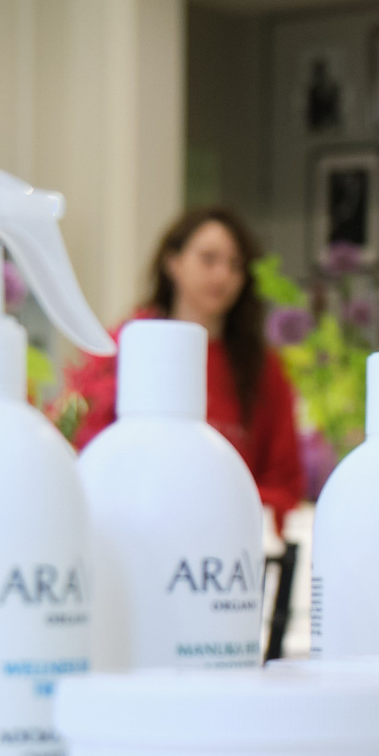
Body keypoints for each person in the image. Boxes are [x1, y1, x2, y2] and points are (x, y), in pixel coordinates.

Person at [66, 208, 304, 526]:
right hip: (137, 525)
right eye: (209, 259)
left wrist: (221, 508)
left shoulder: (262, 368)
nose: (222, 275)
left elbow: (284, 482)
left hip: (229, 534)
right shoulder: (128, 349)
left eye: (235, 265)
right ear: (173, 262)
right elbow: (90, 447)